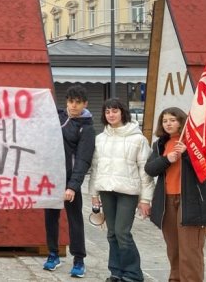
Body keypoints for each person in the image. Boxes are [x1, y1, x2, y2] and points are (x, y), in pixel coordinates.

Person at [144, 107, 206, 282]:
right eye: (165, 121)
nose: (168, 124)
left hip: (191, 202)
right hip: (167, 202)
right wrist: (166, 159)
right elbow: (150, 169)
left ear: (181, 121)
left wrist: (187, 154)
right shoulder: (159, 144)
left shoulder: (194, 142)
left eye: (172, 120)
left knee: (190, 250)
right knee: (174, 249)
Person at [89, 98, 154, 282]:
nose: (111, 114)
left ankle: (133, 274)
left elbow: (145, 171)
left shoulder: (138, 139)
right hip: (106, 191)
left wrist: (145, 199)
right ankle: (116, 272)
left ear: (122, 112)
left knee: (122, 232)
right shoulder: (100, 139)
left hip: (128, 191)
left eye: (114, 111)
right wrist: (94, 194)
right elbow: (95, 168)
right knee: (111, 233)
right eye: (107, 111)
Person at [43, 85, 95, 277]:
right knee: (50, 218)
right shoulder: (58, 116)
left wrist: (73, 186)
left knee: (74, 220)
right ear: (66, 102)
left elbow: (83, 159)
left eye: (78, 102)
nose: (74, 106)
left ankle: (79, 260)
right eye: (71, 101)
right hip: (51, 178)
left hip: (69, 179)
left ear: (85, 104)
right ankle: (53, 254)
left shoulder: (86, 128)